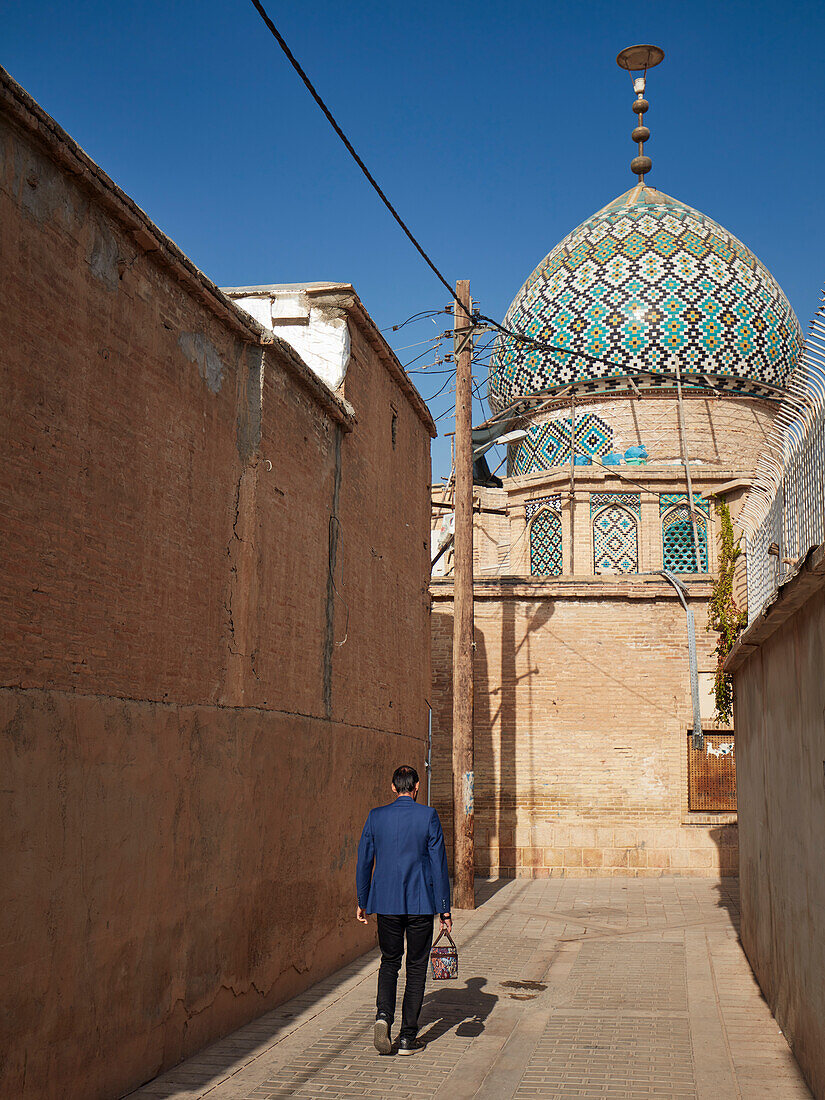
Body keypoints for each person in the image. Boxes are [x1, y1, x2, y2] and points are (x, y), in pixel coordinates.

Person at [356, 764, 452, 1056]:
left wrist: (363, 900)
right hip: (421, 904)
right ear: (418, 786)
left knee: (389, 962)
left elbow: (364, 861)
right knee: (416, 966)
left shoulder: (376, 817)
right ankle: (408, 1038)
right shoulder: (428, 816)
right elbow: (439, 864)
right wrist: (445, 910)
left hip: (386, 903)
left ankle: (383, 1017)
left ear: (393, 787)